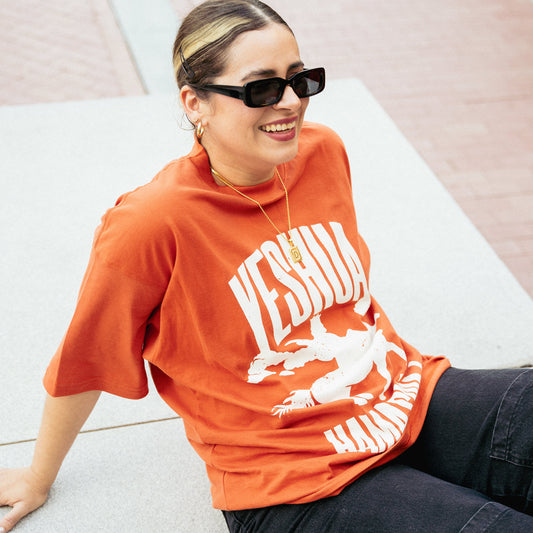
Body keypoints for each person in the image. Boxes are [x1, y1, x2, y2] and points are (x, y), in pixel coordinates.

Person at [0, 1, 531, 531]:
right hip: (288, 478)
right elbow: (87, 357)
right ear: (195, 103)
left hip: (401, 395)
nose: (291, 102)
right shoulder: (151, 222)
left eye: (300, 79)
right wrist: (38, 476)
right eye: (262, 89)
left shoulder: (322, 152)